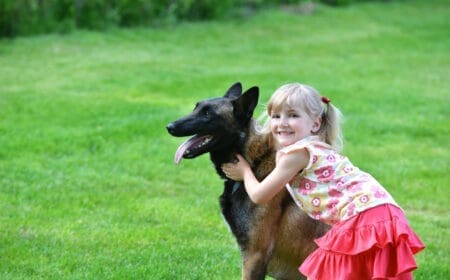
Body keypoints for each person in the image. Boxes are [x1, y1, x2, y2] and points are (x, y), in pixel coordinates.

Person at [222, 83, 425, 280]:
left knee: (324, 272)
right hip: (382, 212)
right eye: (276, 116)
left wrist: (245, 172)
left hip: (362, 218)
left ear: (315, 123)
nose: (282, 122)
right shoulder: (316, 146)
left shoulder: (297, 154)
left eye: (293, 115)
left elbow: (259, 195)